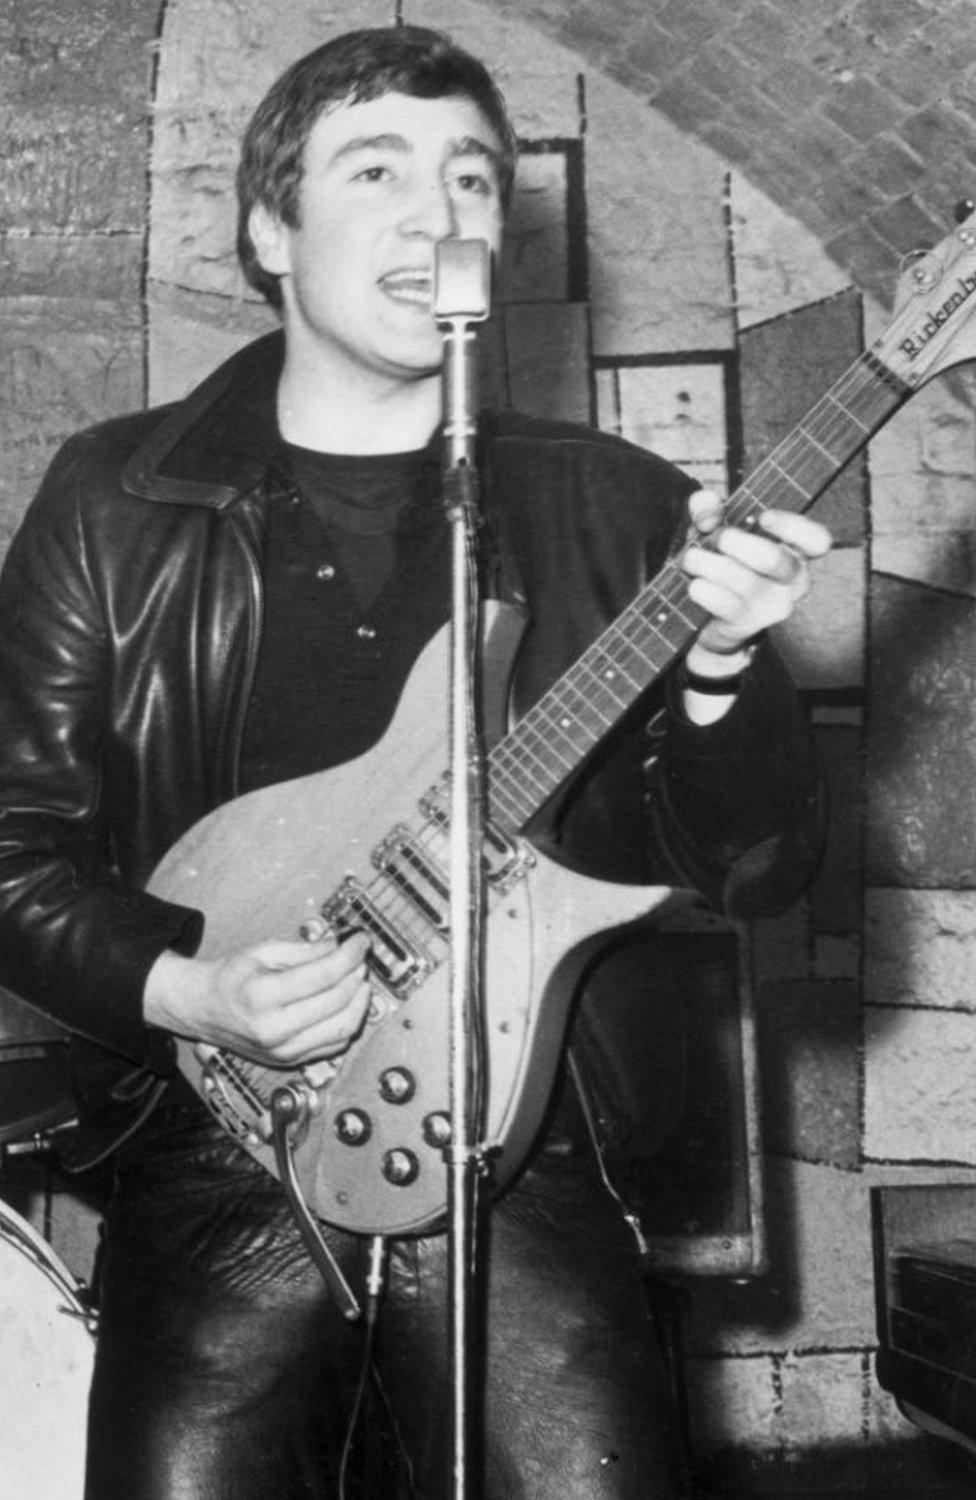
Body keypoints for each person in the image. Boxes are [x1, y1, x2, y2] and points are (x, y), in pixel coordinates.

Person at [0, 24, 831, 1500]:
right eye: (374, 168)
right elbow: (11, 847)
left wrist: (719, 672)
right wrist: (189, 990)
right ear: (272, 226)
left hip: (531, 1144)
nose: (437, 211)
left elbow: (758, 869)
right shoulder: (118, 501)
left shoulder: (618, 508)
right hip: (218, 1138)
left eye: (469, 176)